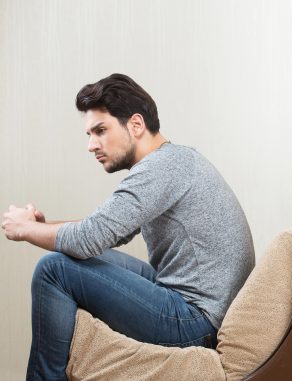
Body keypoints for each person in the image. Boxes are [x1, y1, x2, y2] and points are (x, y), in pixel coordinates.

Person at [1, 73, 255, 380]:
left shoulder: (159, 170)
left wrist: (24, 229)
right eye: (89, 134)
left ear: (135, 125)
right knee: (74, 257)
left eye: (100, 130)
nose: (92, 145)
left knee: (53, 269)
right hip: (197, 304)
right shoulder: (174, 161)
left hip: (196, 321)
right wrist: (42, 226)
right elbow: (103, 230)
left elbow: (87, 238)